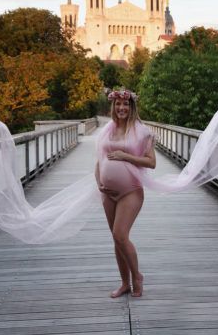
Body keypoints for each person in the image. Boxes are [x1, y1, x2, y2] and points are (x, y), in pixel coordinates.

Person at [95, 90, 156, 298]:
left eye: (126, 104)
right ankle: (124, 283)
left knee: (120, 234)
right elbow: (99, 160)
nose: (122, 108)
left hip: (130, 190)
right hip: (107, 192)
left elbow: (151, 162)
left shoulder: (142, 131)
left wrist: (126, 156)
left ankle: (137, 276)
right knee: (116, 239)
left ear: (132, 107)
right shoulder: (107, 130)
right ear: (113, 106)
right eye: (118, 104)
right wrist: (99, 183)